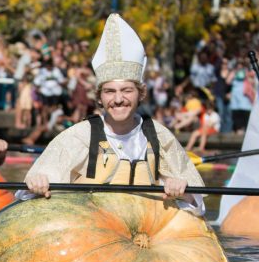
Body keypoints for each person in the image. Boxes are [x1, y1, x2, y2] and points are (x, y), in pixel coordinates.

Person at [18, 13, 206, 216]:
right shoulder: (79, 136)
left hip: (145, 234)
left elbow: (198, 206)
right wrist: (36, 183)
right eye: (110, 91)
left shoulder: (159, 136)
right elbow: (29, 192)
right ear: (99, 97)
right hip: (90, 231)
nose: (118, 99)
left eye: (127, 91)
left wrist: (182, 191)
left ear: (140, 94)